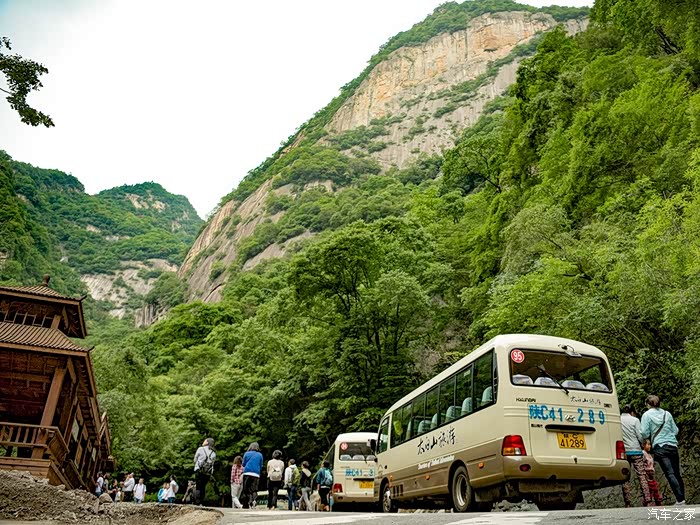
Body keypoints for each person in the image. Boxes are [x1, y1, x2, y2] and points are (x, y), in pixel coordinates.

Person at [641, 394, 685, 505]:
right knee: (676, 473)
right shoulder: (667, 414)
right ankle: (682, 499)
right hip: (672, 446)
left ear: (648, 404)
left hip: (660, 447)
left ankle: (680, 499)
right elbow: (675, 430)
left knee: (670, 473)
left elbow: (645, 433)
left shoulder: (646, 415)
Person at [620, 405, 651, 507]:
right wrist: (642, 445)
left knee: (625, 477)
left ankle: (628, 502)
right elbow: (640, 436)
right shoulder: (635, 420)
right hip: (636, 451)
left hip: (624, 452)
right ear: (632, 412)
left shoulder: (618, 420)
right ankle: (647, 500)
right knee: (641, 475)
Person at [193, 437, 216, 505]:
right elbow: (212, 463)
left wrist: (198, 464)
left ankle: (197, 502)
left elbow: (195, 459)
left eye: (205, 440)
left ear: (207, 442)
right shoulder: (214, 453)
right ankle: (201, 502)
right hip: (207, 472)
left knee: (198, 487)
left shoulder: (200, 449)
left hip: (199, 470)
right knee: (203, 487)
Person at [241, 442, 263, 509]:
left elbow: (243, 464)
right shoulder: (260, 455)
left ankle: (246, 504)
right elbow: (261, 465)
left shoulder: (246, 454)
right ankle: (254, 501)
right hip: (256, 474)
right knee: (254, 489)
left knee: (246, 490)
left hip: (247, 472)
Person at [643, 439, 664, 506]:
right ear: (643, 445)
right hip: (647, 473)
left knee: (654, 488)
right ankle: (649, 502)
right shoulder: (643, 454)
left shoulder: (649, 454)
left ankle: (658, 501)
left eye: (650, 444)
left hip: (651, 473)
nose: (650, 446)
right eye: (648, 444)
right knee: (650, 488)